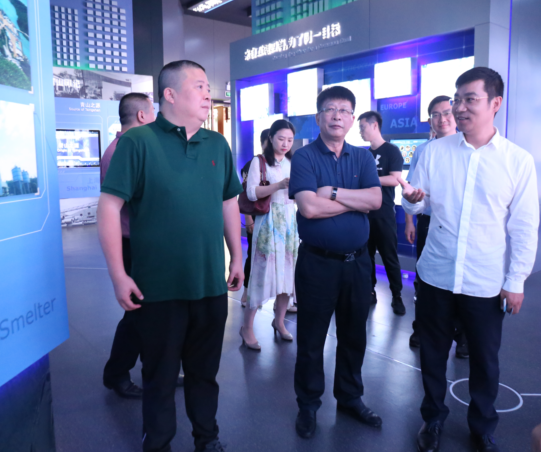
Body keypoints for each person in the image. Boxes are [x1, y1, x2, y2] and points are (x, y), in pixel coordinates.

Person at [98, 60, 244, 452]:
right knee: (160, 377)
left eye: (208, 87)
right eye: (200, 86)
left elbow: (229, 202)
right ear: (170, 94)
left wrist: (237, 256)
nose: (208, 94)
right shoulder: (137, 142)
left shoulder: (217, 144)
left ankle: (207, 438)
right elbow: (109, 207)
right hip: (159, 288)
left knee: (204, 373)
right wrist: (118, 275)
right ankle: (158, 443)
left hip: (209, 284)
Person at [403, 67, 539, 452]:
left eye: (470, 100)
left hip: (484, 280)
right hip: (436, 275)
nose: (459, 108)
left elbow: (525, 226)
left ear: (495, 103)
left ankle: (481, 426)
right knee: (432, 354)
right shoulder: (434, 152)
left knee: (484, 360)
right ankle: (432, 419)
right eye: (456, 99)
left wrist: (516, 280)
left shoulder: (517, 161)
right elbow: (416, 204)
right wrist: (411, 202)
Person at [289, 86, 383, 439]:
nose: (337, 116)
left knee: (354, 335)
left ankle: (350, 397)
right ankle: (308, 404)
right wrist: (354, 201)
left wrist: (330, 192)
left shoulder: (362, 157)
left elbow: (375, 201)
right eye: (330, 109)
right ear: (319, 117)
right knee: (312, 338)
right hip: (318, 264)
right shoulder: (304, 157)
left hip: (358, 264)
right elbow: (309, 208)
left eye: (344, 110)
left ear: (352, 118)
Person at [100, 93, 160, 399]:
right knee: (138, 312)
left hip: (137, 241)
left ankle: (154, 368)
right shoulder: (124, 149)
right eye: (153, 112)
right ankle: (117, 374)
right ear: (141, 116)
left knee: (147, 311)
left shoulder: (122, 146)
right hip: (132, 242)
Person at [405, 95, 469, 359]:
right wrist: (410, 220)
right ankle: (421, 329)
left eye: (446, 113)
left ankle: (462, 336)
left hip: (459, 225)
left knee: (462, 280)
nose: (442, 119)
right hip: (428, 222)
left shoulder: (469, 147)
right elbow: (411, 191)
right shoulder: (424, 150)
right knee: (424, 278)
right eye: (435, 114)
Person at [240, 120, 299, 350]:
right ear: (271, 137)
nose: (285, 144)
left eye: (290, 140)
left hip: (289, 222)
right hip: (267, 222)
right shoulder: (259, 161)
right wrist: (279, 185)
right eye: (281, 138)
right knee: (260, 273)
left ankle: (279, 321)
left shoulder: (293, 162)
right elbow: (252, 193)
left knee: (288, 274)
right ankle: (247, 327)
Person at [358, 111, 407, 315]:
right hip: (364, 212)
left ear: (374, 125)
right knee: (366, 256)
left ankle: (397, 296)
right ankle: (370, 291)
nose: (360, 132)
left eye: (362, 127)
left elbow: (395, 179)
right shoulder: (363, 154)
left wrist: (370, 180)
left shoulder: (392, 151)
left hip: (384, 213)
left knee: (389, 257)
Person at [240, 129, 270, 308]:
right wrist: (248, 219)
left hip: (274, 219)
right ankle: (246, 292)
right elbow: (244, 194)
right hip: (257, 216)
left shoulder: (280, 163)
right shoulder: (252, 164)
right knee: (253, 255)